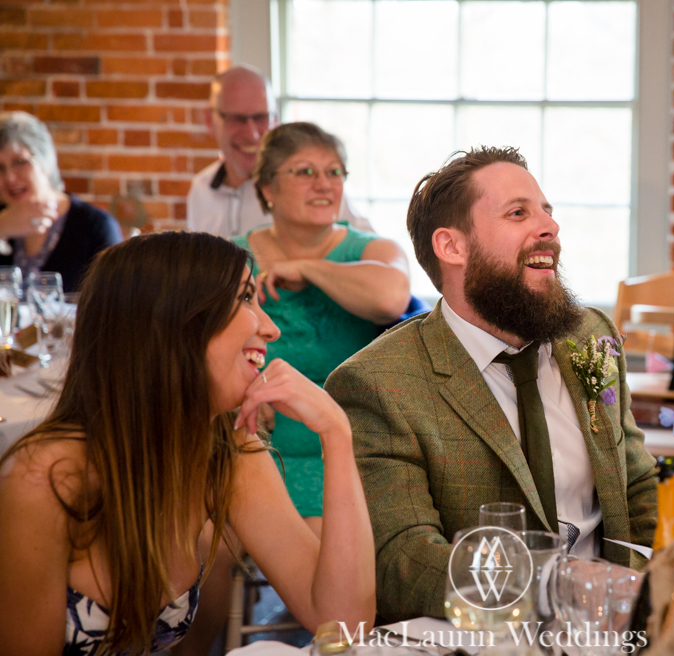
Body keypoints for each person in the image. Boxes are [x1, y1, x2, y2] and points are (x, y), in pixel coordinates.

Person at [324, 146, 659, 621]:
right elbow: (403, 562)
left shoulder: (591, 337)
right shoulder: (378, 384)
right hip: (484, 636)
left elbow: (638, 485)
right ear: (452, 247)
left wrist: (647, 599)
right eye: (518, 213)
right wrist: (553, 588)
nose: (549, 227)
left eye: (547, 211)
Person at [0, 232, 375, 654]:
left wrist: (337, 434)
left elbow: (343, 624)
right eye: (246, 298)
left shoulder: (227, 449)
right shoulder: (47, 478)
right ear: (173, 323)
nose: (270, 329)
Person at [234, 121, 411, 521]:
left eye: (334, 172)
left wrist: (309, 268)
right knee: (202, 536)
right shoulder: (231, 258)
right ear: (267, 189)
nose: (324, 184)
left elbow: (390, 298)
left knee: (318, 551)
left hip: (346, 446)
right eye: (305, 172)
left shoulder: (374, 249)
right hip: (252, 437)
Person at [187, 65, 373, 238]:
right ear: (210, 120)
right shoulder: (200, 190)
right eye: (237, 119)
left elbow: (370, 248)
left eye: (261, 118)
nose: (251, 134)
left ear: (275, 119)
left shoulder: (301, 185)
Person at [0, 111, 123, 293]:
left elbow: (115, 306)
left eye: (20, 162)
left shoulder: (95, 226)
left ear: (46, 162)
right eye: (0, 167)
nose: (9, 177)